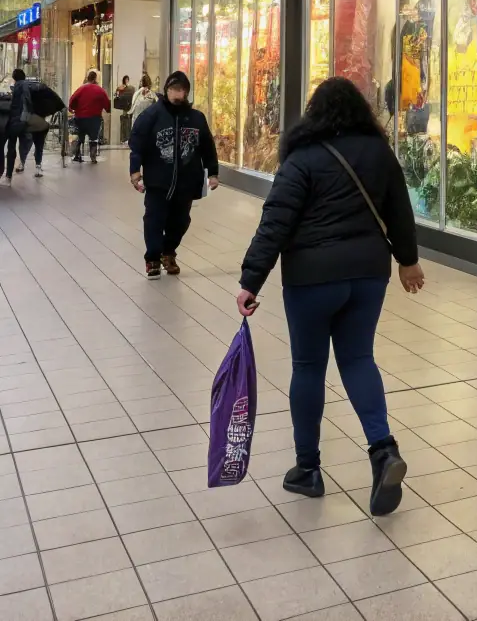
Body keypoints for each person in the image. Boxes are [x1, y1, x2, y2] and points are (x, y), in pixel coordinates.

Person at [237, 76, 424, 515]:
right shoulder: (380, 153)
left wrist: (251, 279)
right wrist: (408, 260)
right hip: (368, 275)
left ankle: (308, 469)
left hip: (311, 278)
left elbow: (275, 223)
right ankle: (383, 451)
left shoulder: (302, 158)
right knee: (358, 359)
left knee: (308, 366)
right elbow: (400, 210)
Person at [129, 70, 219, 278]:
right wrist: (135, 171)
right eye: (174, 89)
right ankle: (152, 258)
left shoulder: (196, 118)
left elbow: (208, 147)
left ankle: (168, 253)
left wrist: (213, 173)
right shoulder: (152, 116)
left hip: (187, 182)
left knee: (180, 221)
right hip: (158, 181)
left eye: (182, 90)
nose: (178, 95)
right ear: (166, 91)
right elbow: (137, 144)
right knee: (154, 220)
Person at [69, 71, 111, 163]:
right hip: (94, 118)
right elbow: (107, 104)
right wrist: (107, 109)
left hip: (80, 117)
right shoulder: (100, 90)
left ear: (88, 78)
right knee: (93, 137)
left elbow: (72, 99)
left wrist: (72, 108)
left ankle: (77, 154)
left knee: (80, 135)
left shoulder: (81, 88)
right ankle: (93, 155)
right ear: (95, 79)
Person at [5, 69, 34, 178]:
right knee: (25, 141)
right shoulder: (25, 85)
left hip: (15, 120)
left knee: (11, 145)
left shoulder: (18, 86)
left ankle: (8, 174)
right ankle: (22, 162)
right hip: (24, 120)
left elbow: (20, 102)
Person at [113, 75, 135, 144]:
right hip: (124, 108)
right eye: (126, 79)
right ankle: (123, 139)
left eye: (127, 79)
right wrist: (118, 91)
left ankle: (127, 138)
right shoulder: (121, 88)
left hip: (129, 107)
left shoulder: (131, 88)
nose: (126, 81)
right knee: (124, 122)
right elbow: (116, 95)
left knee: (128, 123)